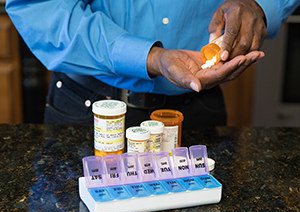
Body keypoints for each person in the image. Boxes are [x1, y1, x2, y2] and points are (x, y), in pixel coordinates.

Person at [5, 0, 300, 129]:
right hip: (89, 112)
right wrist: (150, 57)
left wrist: (260, 5)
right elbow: (40, 7)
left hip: (198, 108)